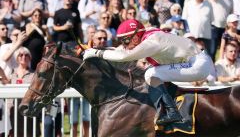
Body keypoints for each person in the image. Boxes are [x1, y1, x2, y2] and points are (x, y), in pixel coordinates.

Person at [83, 19, 212, 125]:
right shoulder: (146, 35)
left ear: (135, 36)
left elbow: (124, 56)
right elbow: (122, 51)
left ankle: (172, 112)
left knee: (151, 74)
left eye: (126, 40)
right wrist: (98, 49)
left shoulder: (151, 43)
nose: (125, 44)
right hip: (196, 61)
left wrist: (97, 53)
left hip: (197, 64)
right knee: (153, 72)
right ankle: (171, 107)